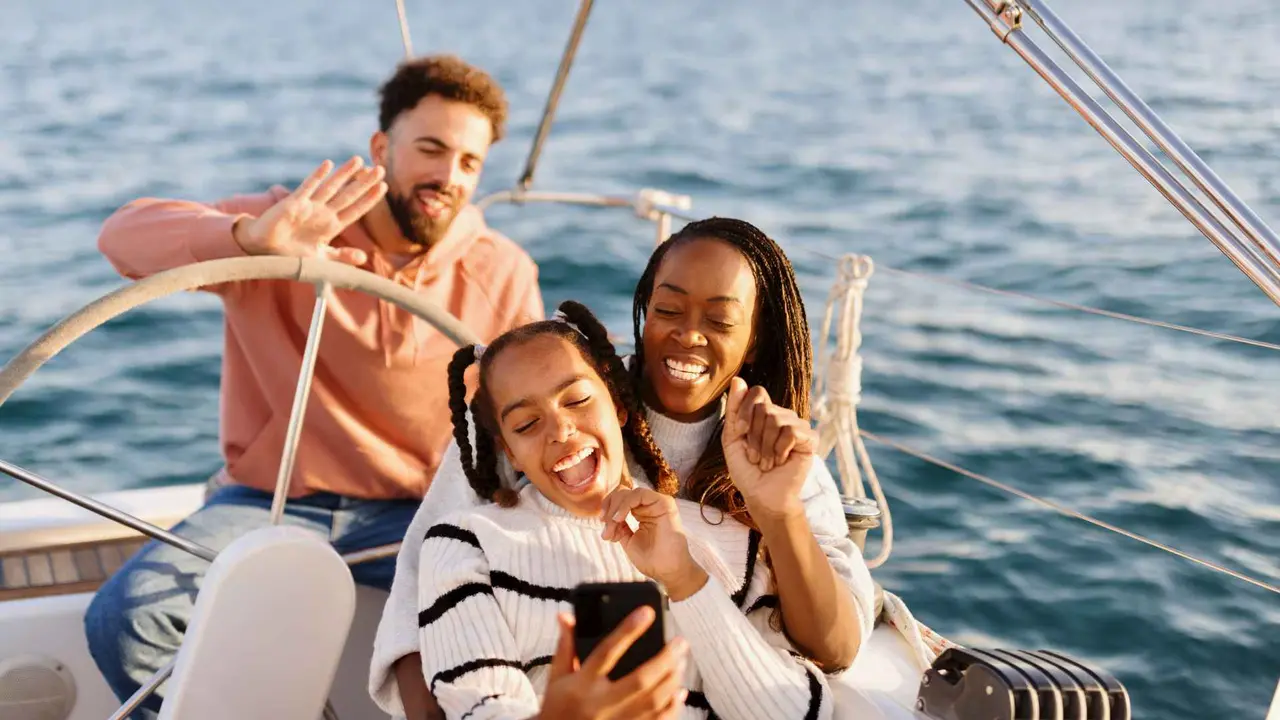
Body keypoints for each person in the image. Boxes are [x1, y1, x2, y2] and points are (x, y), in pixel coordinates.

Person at [82, 54, 544, 717]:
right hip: (271, 499)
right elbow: (121, 237)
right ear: (382, 147)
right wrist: (250, 240)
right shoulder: (292, 224)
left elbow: (530, 415)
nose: (448, 176)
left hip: (415, 514)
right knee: (127, 621)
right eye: (431, 149)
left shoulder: (503, 271)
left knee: (519, 622)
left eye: (469, 163)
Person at [371, 218, 873, 718]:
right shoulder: (545, 404)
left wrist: (776, 514)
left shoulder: (770, 469)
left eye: (719, 321)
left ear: (755, 338)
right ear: (644, 311)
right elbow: (421, 583)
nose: (688, 335)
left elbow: (834, 651)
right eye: (668, 309)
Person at [415, 300, 833, 719]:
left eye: (576, 400)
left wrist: (686, 580)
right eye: (526, 424)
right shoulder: (467, 544)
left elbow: (793, 714)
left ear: (617, 405)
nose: (560, 430)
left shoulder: (720, 539)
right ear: (511, 452)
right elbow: (478, 709)